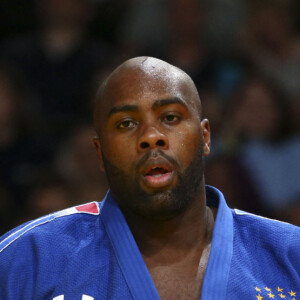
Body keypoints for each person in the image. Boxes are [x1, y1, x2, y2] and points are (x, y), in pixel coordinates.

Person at [0, 57, 299, 299]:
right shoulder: (26, 260)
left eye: (170, 118)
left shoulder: (289, 255)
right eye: (126, 123)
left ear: (205, 137)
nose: (151, 137)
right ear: (100, 151)